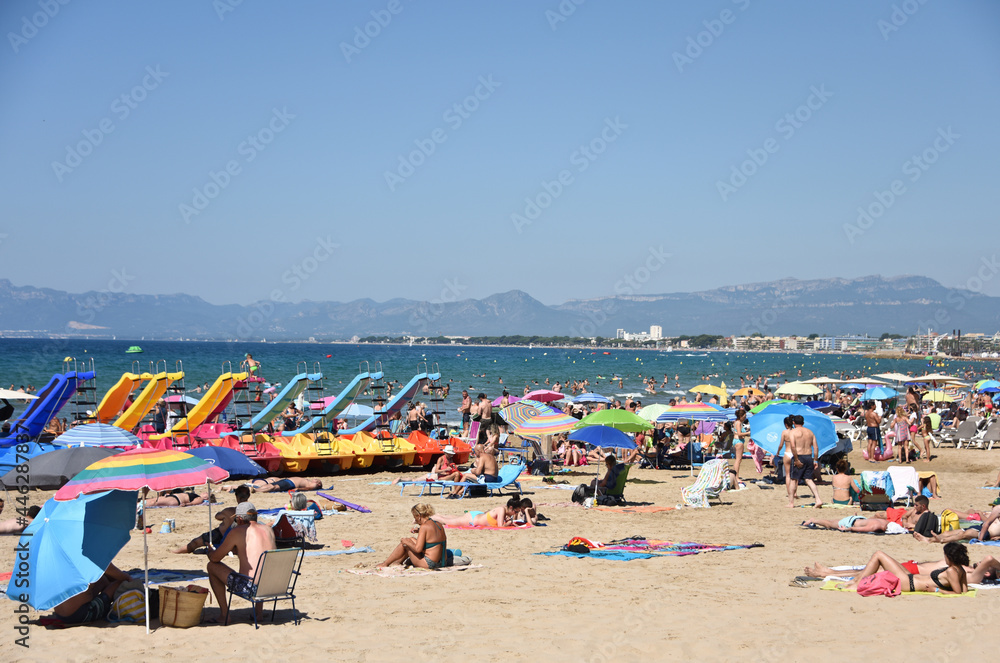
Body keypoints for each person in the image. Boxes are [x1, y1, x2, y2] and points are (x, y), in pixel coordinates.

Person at [206, 502, 276, 624]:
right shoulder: (268, 530)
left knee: (211, 566)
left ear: (239, 519)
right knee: (261, 568)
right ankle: (258, 613)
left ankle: (224, 615)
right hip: (274, 586)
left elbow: (215, 559)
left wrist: (210, 552)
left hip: (251, 589)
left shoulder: (238, 531)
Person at [837, 543, 969, 595]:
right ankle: (855, 580)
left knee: (878, 555)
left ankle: (856, 583)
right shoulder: (960, 570)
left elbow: (957, 593)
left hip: (909, 583)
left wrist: (936, 590)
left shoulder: (952, 571)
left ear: (949, 556)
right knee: (881, 557)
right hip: (911, 578)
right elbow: (964, 590)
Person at [805, 553, 1000, 584]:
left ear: (989, 571)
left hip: (911, 573)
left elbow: (990, 558)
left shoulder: (974, 577)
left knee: (869, 571)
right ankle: (829, 571)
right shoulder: (967, 571)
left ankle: (827, 573)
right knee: (868, 569)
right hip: (913, 567)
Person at [172, 486, 251, 554]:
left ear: (236, 497)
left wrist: (223, 514)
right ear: (248, 496)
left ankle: (177, 551)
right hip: (241, 537)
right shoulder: (251, 511)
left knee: (195, 542)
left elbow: (217, 517)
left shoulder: (229, 511)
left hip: (220, 535)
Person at [52, 563, 133, 624]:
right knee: (119, 583)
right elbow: (106, 567)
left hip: (60, 614)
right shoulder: (88, 553)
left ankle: (105, 598)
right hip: (79, 614)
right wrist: (127, 577)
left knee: (103, 580)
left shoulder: (63, 560)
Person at [380, 503, 447, 569]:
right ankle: (397, 562)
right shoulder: (438, 524)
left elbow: (418, 549)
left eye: (415, 517)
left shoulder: (424, 527)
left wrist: (406, 542)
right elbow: (433, 537)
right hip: (443, 561)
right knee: (411, 539)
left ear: (419, 516)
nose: (415, 521)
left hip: (430, 564)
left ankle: (385, 563)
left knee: (406, 543)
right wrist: (419, 531)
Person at [450, 429, 500, 498]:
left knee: (466, 476)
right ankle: (459, 492)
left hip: (488, 478)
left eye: (475, 452)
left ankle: (454, 493)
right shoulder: (490, 456)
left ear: (479, 451)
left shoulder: (482, 456)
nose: (474, 454)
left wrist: (473, 470)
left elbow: (478, 472)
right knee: (471, 478)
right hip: (494, 478)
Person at [915, 504, 1000, 543]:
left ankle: (942, 540)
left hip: (988, 533)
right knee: (948, 533)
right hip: (981, 529)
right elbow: (987, 523)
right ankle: (929, 539)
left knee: (964, 534)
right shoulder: (997, 509)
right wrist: (980, 540)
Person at [788, 415, 823, 508]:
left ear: (793, 423)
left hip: (799, 456)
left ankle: (791, 503)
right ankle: (818, 499)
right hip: (808, 456)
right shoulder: (810, 432)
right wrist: (815, 460)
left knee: (793, 479)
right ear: (803, 423)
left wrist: (796, 459)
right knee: (809, 479)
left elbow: (793, 446)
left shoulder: (793, 432)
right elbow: (816, 447)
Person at [432, 502, 516, 529]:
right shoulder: (502, 510)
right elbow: (500, 527)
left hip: (476, 516)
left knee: (455, 518)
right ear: (511, 508)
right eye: (515, 512)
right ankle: (431, 517)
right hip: (473, 519)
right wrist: (508, 523)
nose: (515, 514)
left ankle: (438, 515)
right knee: (446, 521)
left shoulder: (503, 509)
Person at [775, 416, 794, 504]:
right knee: (795, 476)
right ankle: (795, 492)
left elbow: (781, 444)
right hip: (794, 453)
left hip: (787, 453)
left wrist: (778, 452)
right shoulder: (795, 432)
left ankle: (789, 493)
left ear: (786, 424)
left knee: (787, 475)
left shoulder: (784, 432)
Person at [803, 515, 891, 533]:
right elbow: (858, 529)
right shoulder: (875, 527)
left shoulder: (886, 522)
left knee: (833, 521)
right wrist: (847, 529)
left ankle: (814, 520)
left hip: (858, 518)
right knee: (829, 525)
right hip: (850, 523)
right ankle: (813, 520)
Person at [236, 476, 323, 493]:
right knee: (273, 485)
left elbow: (309, 488)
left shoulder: (314, 485)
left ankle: (256, 490)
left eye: (317, 480)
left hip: (291, 483)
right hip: (288, 481)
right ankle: (256, 489)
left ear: (318, 484)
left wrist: (299, 489)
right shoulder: (309, 481)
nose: (315, 478)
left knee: (274, 487)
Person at [144, 488, 212, 507]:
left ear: (207, 498)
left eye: (207, 494)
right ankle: (138, 504)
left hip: (176, 500)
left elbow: (193, 503)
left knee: (154, 502)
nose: (205, 492)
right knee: (153, 500)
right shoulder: (196, 495)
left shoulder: (200, 498)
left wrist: (185, 504)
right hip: (173, 497)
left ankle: (138, 505)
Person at [732, 409, 749, 478]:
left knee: (738, 460)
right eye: (744, 416)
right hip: (739, 441)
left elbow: (737, 432)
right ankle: (736, 477)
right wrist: (748, 433)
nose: (745, 417)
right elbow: (739, 433)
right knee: (738, 460)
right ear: (741, 416)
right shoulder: (738, 423)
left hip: (737, 440)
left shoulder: (736, 422)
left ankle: (735, 476)